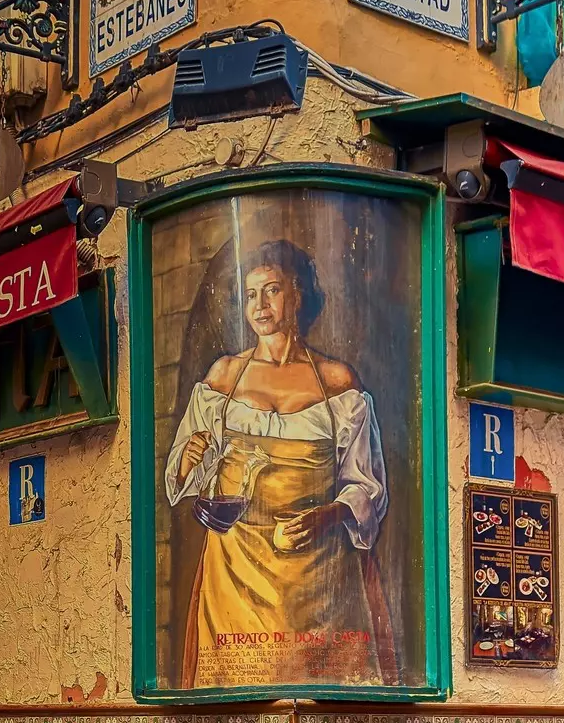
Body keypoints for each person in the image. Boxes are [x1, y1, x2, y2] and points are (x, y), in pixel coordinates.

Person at [164, 239, 395, 690]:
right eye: (251, 294)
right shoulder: (223, 378)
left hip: (317, 577)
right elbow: (188, 473)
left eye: (271, 290)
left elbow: (365, 484)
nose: (260, 305)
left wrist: (330, 514)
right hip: (235, 569)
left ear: (298, 295)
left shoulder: (337, 383)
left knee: (317, 692)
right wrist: (190, 458)